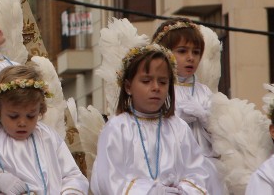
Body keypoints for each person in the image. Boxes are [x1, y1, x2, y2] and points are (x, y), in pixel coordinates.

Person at [90, 44, 222, 194]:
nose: (156, 87)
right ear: (128, 87)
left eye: (163, 82)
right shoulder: (117, 128)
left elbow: (197, 173)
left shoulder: (179, 128)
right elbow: (107, 179)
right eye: (146, 81)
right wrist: (152, 191)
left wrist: (183, 191)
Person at [0, 64, 89, 194]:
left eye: (31, 115)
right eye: (13, 116)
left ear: (40, 110)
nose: (22, 123)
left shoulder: (48, 137)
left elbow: (72, 176)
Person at [152, 18, 217, 159]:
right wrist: (177, 118)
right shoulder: (157, 90)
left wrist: (205, 117)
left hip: (204, 163)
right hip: (171, 161)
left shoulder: (204, 91)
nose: (191, 58)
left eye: (196, 52)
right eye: (182, 51)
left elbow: (222, 136)